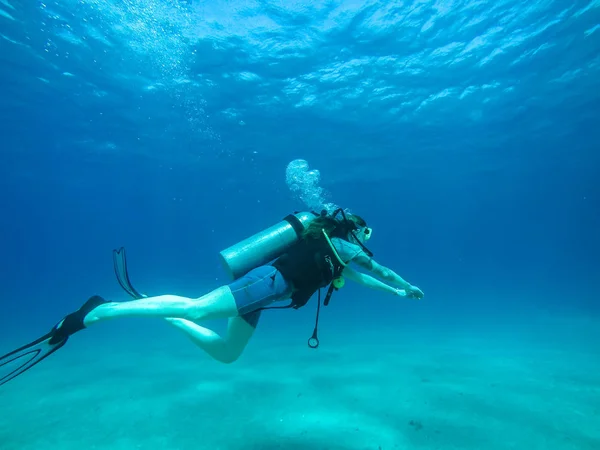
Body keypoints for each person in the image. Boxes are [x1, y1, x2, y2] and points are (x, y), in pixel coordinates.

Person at [0, 209, 423, 386]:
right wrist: (404, 285)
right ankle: (99, 312)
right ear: (355, 229)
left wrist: (397, 295)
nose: (366, 243)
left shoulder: (337, 254)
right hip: (265, 283)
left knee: (226, 353)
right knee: (199, 305)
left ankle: (161, 313)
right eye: (365, 235)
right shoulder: (345, 246)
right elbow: (377, 270)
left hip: (267, 295)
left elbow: (368, 281)